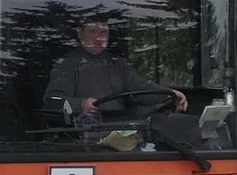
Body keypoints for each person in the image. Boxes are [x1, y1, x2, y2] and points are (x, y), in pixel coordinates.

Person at [44, 16, 187, 125]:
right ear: (80, 34)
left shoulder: (118, 64)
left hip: (121, 130)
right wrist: (81, 104)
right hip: (85, 132)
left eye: (104, 31)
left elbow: (141, 88)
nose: (99, 37)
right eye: (93, 31)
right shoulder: (66, 64)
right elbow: (52, 100)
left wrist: (169, 94)